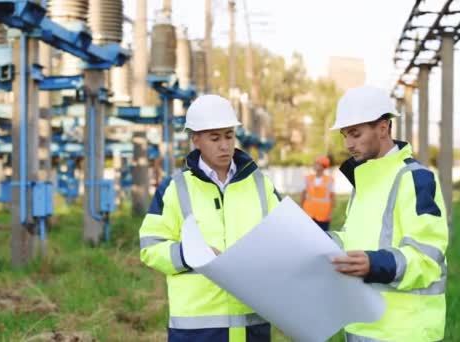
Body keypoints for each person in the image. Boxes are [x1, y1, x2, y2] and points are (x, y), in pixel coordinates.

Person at [139, 94, 281, 342]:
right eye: (215, 138)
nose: (224, 145)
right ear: (196, 139)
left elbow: (286, 238)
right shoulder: (174, 188)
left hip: (252, 325)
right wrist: (189, 254)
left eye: (229, 135)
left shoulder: (260, 184)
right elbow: (150, 248)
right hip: (197, 330)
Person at [328, 86, 448, 341]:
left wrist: (374, 263)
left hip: (404, 331)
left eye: (355, 134)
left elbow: (427, 259)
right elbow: (358, 241)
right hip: (359, 326)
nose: (348, 144)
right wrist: (320, 243)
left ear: (383, 128)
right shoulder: (365, 180)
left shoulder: (416, 179)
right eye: (344, 135)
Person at [301, 155, 335, 231]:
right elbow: (303, 194)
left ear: (323, 166)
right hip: (309, 212)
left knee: (323, 236)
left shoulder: (330, 180)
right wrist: (301, 208)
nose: (314, 165)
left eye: (317, 163)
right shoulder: (308, 178)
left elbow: (332, 197)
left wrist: (330, 213)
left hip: (323, 214)